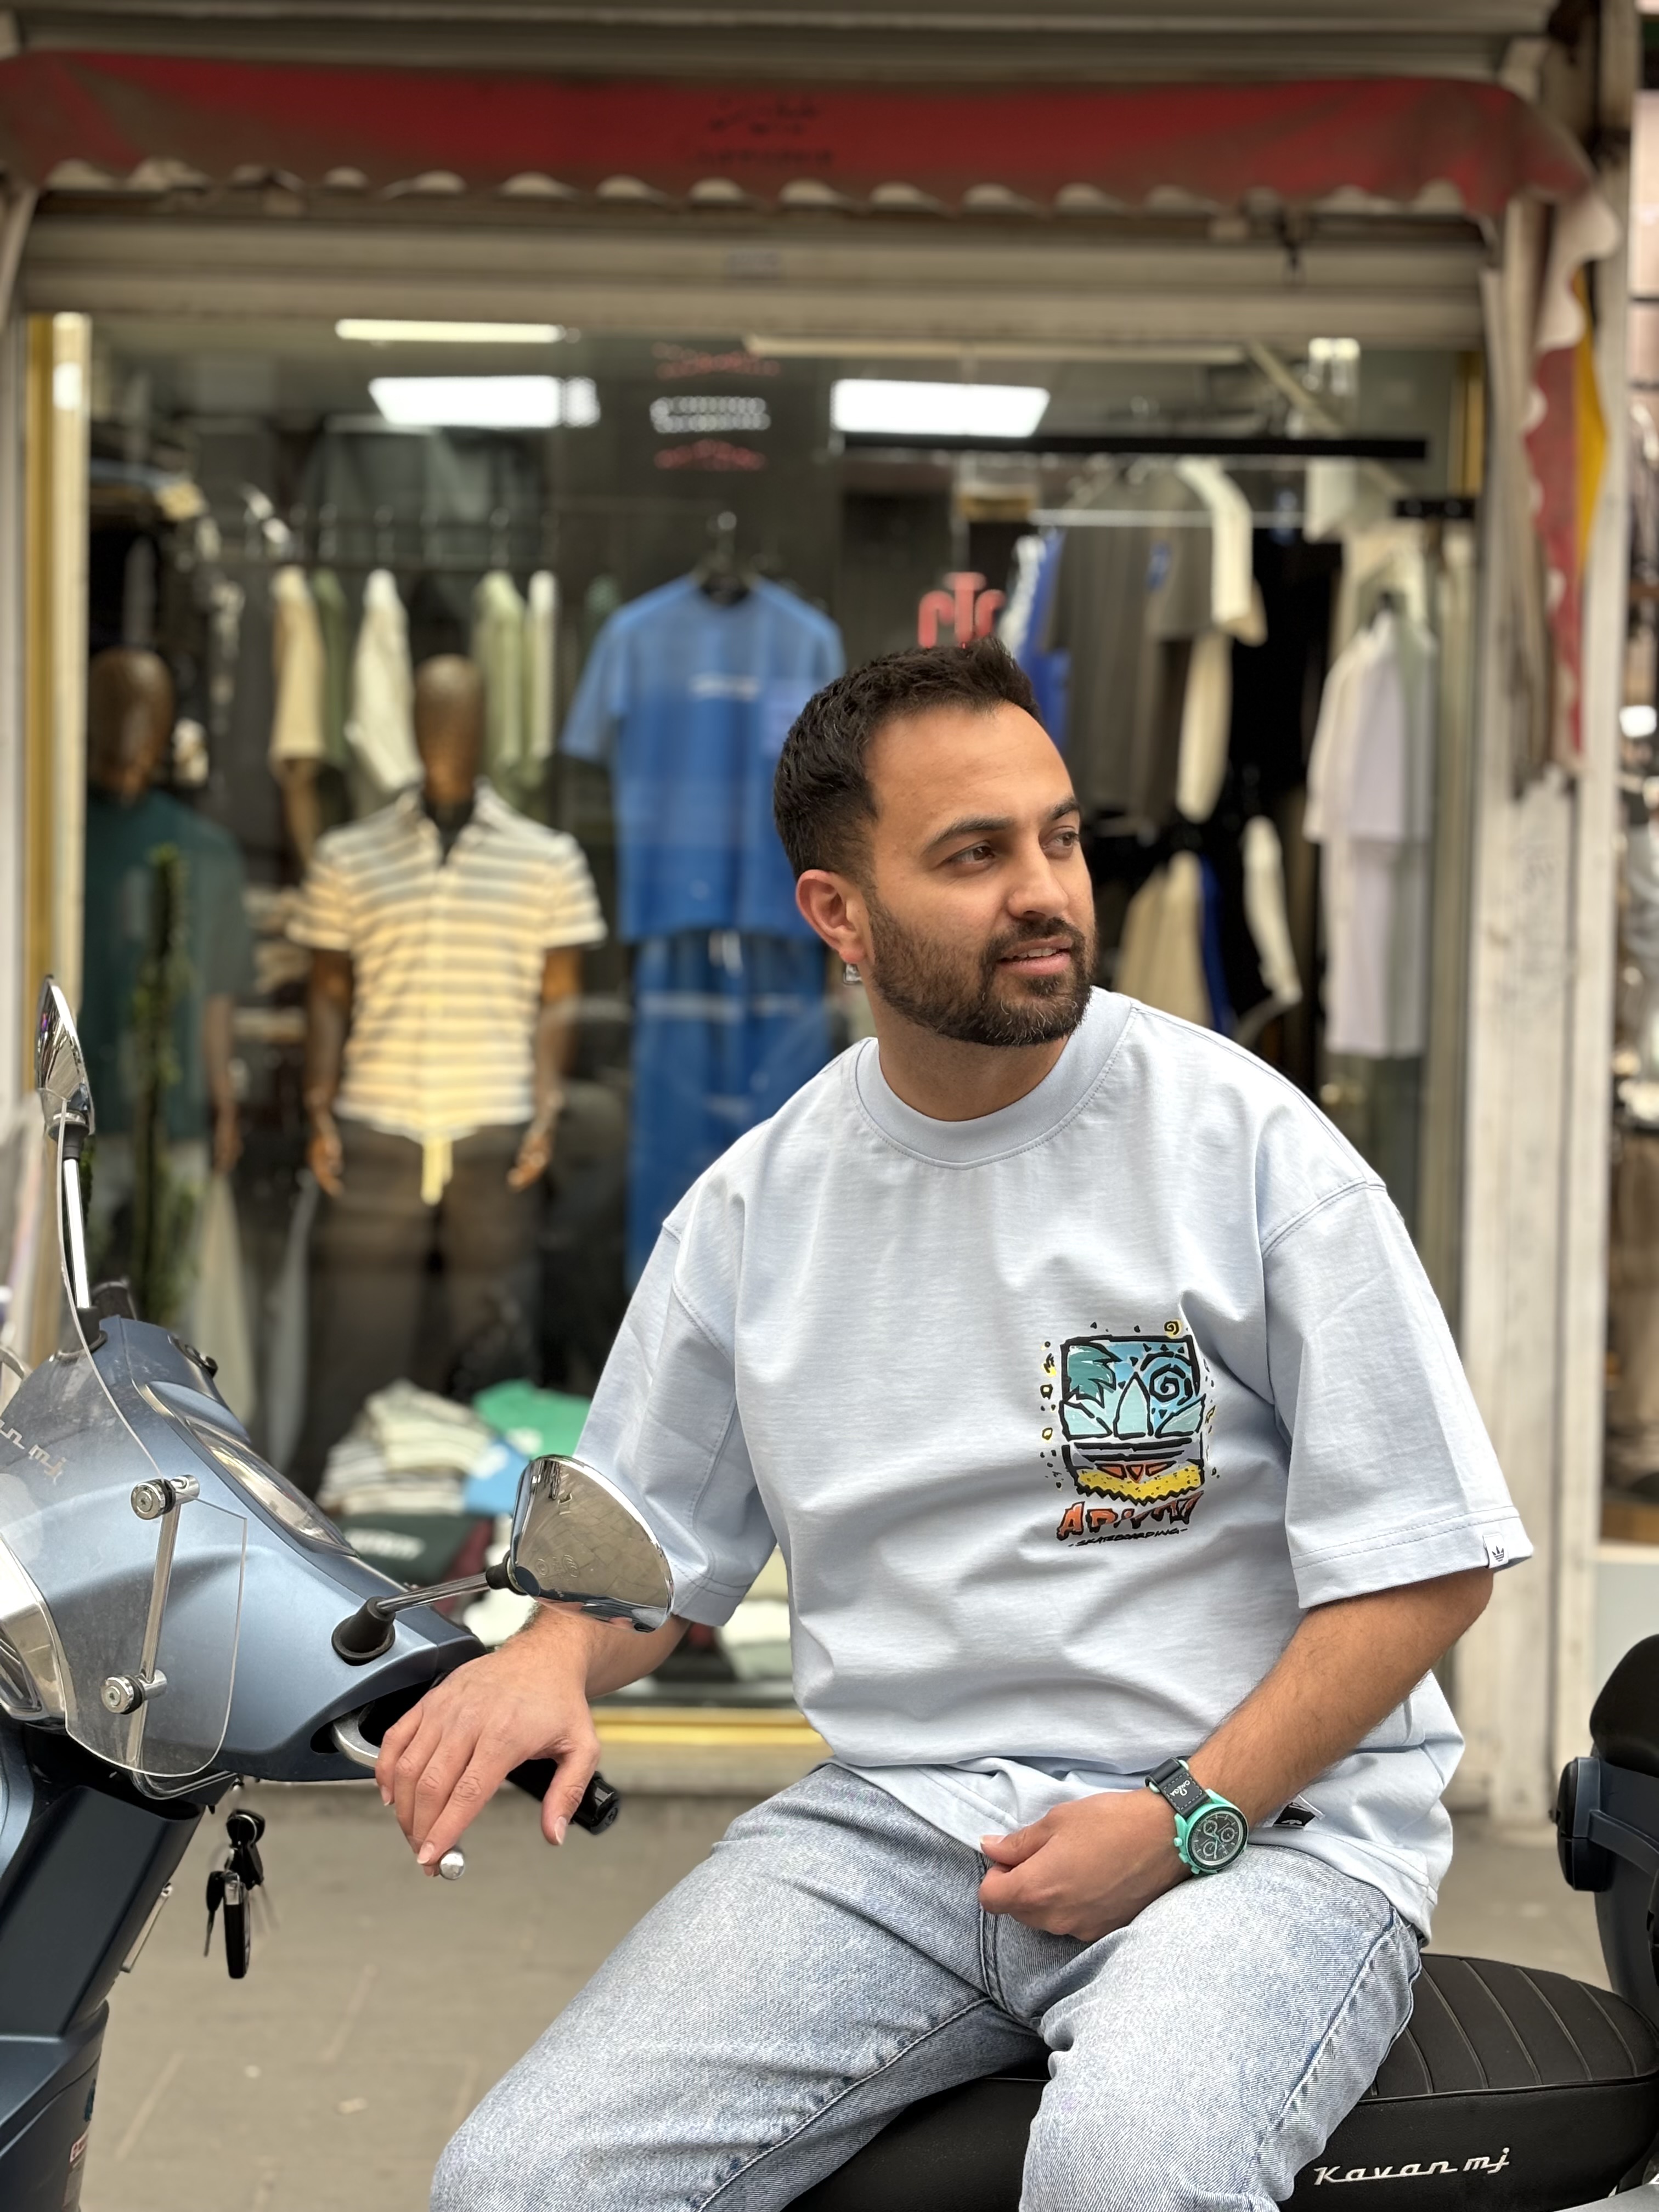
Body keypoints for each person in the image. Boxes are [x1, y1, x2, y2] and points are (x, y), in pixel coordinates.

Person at [386, 639, 1528, 2212]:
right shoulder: (755, 1212)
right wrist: (547, 1656)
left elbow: (1427, 1562)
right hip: (898, 1834)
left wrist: (1186, 1816)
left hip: (1263, 1833)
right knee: (519, 2186)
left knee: (1128, 2177)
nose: (1046, 892)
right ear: (838, 912)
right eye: (975, 856)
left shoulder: (1252, 1149)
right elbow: (642, 1563)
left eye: (1058, 837)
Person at [287, 654, 605, 1491]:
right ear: (409, 725)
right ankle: (331, 1516)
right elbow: (327, 991)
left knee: (494, 1353)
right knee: (355, 1348)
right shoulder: (350, 856)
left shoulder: (547, 860)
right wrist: (319, 1105)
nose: (444, 739)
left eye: (458, 721)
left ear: (486, 729)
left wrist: (546, 1109)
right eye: (431, 719)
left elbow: (560, 1000)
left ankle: (496, 1533)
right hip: (376, 1124)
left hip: (494, 1128)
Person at [79, 646, 252, 1322]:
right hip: (70, 1113)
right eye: (115, 709)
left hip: (173, 1114)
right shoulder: (50, 840)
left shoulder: (204, 851)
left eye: (146, 712)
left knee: (177, 1300)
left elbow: (216, 992)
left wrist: (221, 1097)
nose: (131, 727)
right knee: (69, 1299)